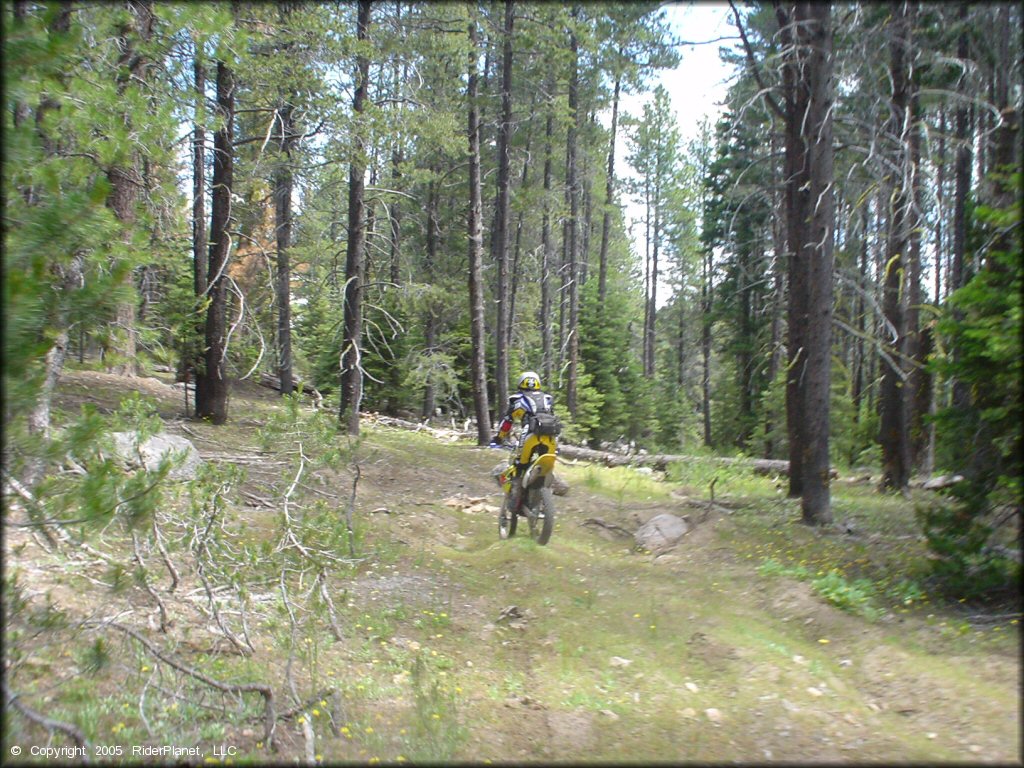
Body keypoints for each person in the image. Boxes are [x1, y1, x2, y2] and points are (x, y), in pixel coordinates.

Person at [490, 371, 558, 510]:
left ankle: (515, 502)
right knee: (546, 468)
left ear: (521, 383)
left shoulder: (517, 400)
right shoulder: (547, 399)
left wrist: (498, 439)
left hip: (530, 437)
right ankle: (545, 501)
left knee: (519, 466)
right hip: (551, 438)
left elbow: (507, 423)